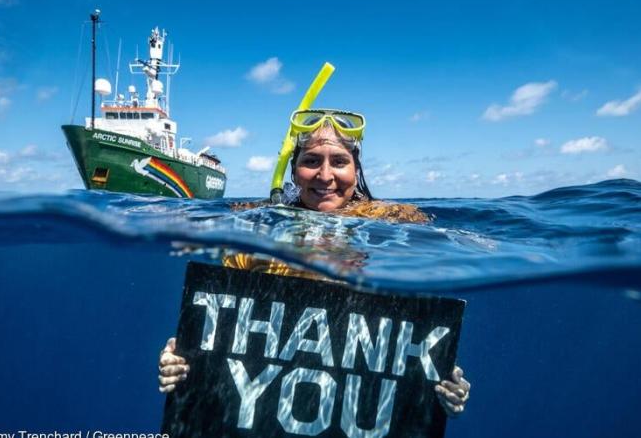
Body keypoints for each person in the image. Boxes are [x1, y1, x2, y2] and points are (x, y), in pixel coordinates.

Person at [158, 109, 471, 417]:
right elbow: (222, 322)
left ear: (356, 168)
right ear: (294, 170)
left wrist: (432, 375)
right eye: (311, 161)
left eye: (339, 161)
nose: (325, 176)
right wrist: (188, 355)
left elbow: (415, 312)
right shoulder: (252, 221)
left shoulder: (397, 220)